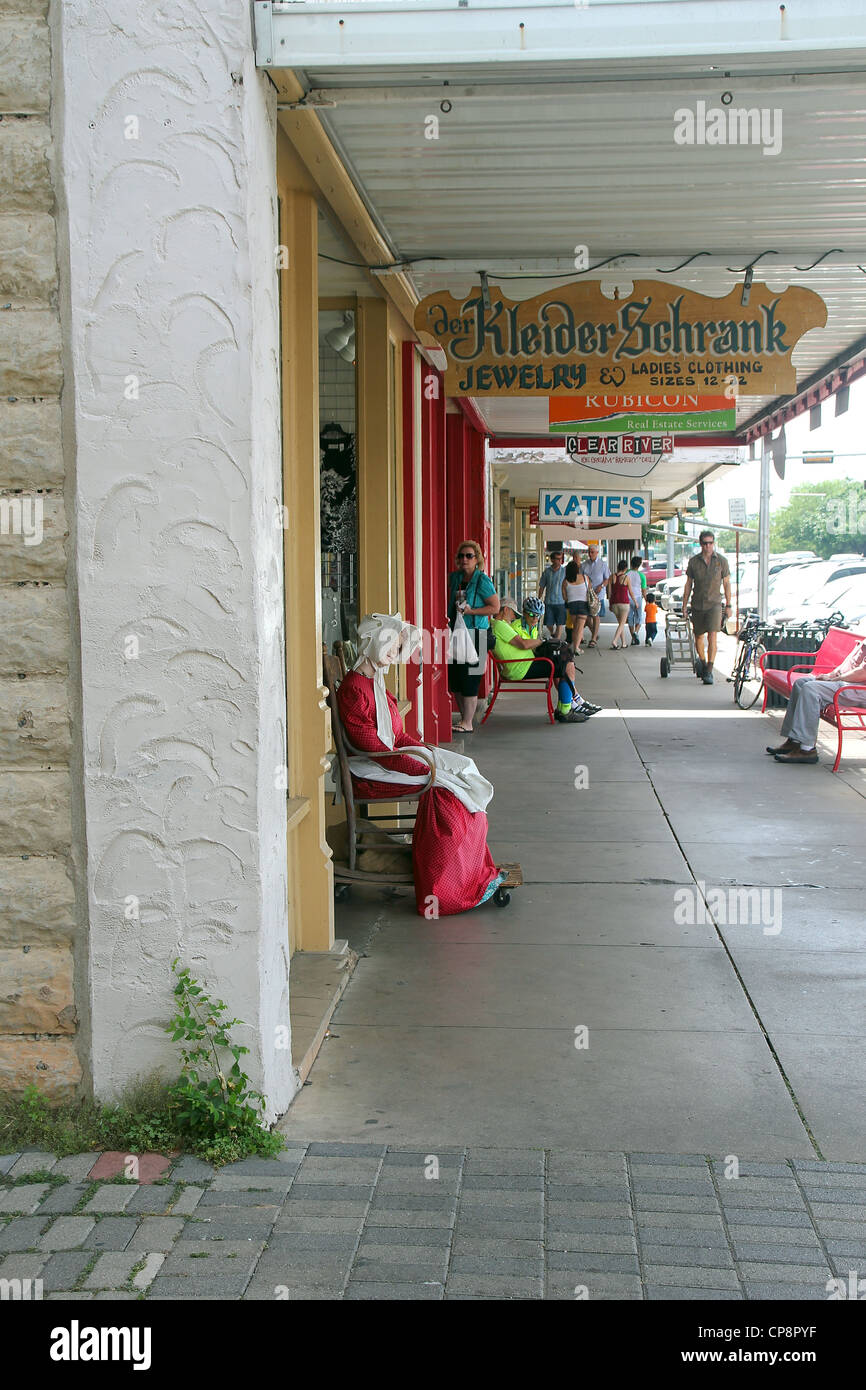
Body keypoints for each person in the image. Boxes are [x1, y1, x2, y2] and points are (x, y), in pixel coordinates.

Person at [338, 613, 508, 915]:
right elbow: (372, 746)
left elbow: (398, 735)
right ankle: (448, 884)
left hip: (389, 760)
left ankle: (468, 868)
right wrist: (424, 766)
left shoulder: (374, 681)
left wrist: (430, 754)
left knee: (462, 769)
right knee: (448, 792)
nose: (394, 653)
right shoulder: (354, 688)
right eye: (392, 645)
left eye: (399, 646)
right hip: (371, 769)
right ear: (375, 642)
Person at [490, 596, 601, 723]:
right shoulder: (500, 625)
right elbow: (524, 644)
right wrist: (544, 641)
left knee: (561, 660)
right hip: (520, 668)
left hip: (522, 664)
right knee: (566, 664)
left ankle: (568, 704)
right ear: (505, 610)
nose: (515, 616)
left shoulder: (499, 625)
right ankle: (566, 709)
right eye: (513, 613)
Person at [767, 638, 866, 764]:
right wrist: (830, 676)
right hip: (850, 684)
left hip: (859, 689)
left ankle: (807, 749)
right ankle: (794, 741)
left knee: (811, 689)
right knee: (801, 683)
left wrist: (834, 680)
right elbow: (849, 664)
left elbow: (863, 673)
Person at [447, 539, 499, 732]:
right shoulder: (454, 578)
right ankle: (463, 719)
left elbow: (495, 607)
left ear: (477, 559)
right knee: (457, 679)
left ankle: (468, 722)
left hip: (477, 634)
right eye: (461, 556)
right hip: (455, 633)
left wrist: (471, 611)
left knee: (471, 678)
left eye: (469, 556)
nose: (464, 559)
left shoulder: (482, 580)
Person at [681, 531, 732, 685]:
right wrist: (684, 605)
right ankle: (702, 662)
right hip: (697, 604)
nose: (707, 546)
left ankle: (709, 669)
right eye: (705, 543)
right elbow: (688, 584)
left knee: (712, 635)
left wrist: (729, 604)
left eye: (710, 543)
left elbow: (727, 583)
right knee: (698, 637)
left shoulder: (721, 561)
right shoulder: (694, 562)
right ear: (700, 543)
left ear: (714, 543)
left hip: (715, 604)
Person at [581, 543, 611, 649]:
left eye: (592, 552)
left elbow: (607, 578)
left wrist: (602, 586)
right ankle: (595, 632)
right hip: (586, 594)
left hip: (598, 594)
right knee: (587, 617)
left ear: (597, 553)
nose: (590, 554)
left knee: (595, 615)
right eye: (589, 552)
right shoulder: (584, 565)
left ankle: (593, 638)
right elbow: (580, 578)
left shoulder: (603, 565)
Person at [563, 558, 591, 652]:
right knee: (580, 628)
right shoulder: (585, 577)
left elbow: (564, 597)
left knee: (576, 627)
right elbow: (589, 590)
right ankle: (576, 648)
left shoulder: (565, 581)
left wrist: (571, 598)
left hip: (572, 605)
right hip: (583, 604)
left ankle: (574, 645)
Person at [538, 550, 567, 639]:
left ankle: (557, 640)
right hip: (549, 601)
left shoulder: (564, 571)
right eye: (557, 559)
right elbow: (542, 586)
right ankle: (552, 632)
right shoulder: (547, 572)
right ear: (552, 560)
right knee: (548, 623)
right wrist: (539, 599)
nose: (559, 561)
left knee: (560, 622)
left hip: (561, 601)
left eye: (560, 559)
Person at [609, 561, 631, 649]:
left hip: (614, 604)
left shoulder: (612, 577)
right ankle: (614, 641)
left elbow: (609, 592)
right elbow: (631, 592)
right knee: (622, 624)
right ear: (625, 568)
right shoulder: (626, 577)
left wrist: (610, 604)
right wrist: (636, 602)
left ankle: (624, 643)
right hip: (624, 603)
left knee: (620, 623)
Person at [626, 556, 644, 645]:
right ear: (639, 565)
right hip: (638, 598)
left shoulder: (627, 573)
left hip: (628, 598)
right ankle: (635, 633)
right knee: (639, 617)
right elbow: (644, 589)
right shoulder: (642, 575)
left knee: (630, 618)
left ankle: (633, 637)